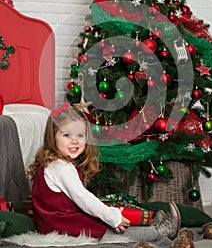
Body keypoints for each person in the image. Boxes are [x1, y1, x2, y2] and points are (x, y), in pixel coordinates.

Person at [27, 102, 181, 243]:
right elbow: (84, 199)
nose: (75, 141)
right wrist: (113, 218)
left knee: (105, 212)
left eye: (80, 136)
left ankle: (150, 223)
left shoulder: (56, 163)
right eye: (67, 135)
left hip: (55, 222)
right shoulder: (61, 168)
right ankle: (159, 231)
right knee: (113, 231)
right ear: (52, 137)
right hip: (64, 226)